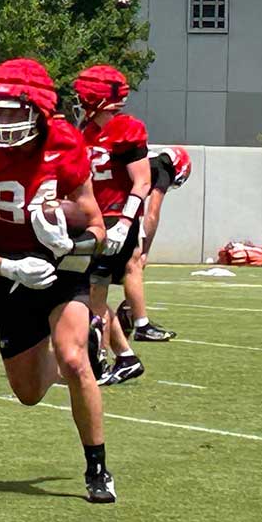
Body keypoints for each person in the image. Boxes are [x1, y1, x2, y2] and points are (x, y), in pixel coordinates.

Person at [0, 58, 115, 503]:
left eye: (12, 112)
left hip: (61, 265)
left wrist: (64, 232)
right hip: (7, 269)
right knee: (27, 393)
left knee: (74, 358)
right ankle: (64, 350)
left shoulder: (65, 143)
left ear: (40, 111)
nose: (1, 123)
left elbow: (97, 226)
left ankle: (97, 468)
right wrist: (8, 267)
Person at [73, 65, 152, 386]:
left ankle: (98, 362)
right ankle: (125, 357)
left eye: (82, 96)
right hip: (95, 219)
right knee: (90, 292)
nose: (78, 102)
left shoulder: (127, 129)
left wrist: (124, 223)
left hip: (117, 219)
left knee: (92, 290)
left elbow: (143, 180)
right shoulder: (87, 131)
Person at [116, 146, 194, 342]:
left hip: (108, 209)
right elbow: (152, 212)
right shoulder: (162, 167)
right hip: (120, 216)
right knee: (134, 264)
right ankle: (139, 321)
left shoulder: (142, 160)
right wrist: (145, 250)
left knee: (99, 279)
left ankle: (120, 315)